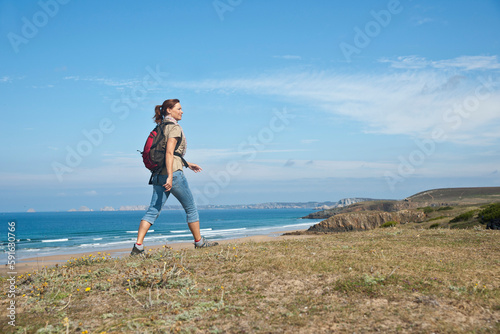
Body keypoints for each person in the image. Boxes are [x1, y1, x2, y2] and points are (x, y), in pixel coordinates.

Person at [131, 99, 218, 255]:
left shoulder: (160, 127)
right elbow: (169, 153)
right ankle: (199, 242)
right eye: (179, 108)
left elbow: (171, 154)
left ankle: (138, 247)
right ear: (169, 110)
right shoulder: (174, 128)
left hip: (157, 174)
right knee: (191, 208)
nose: (182, 111)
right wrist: (170, 177)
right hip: (173, 174)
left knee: (153, 210)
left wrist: (188, 163)